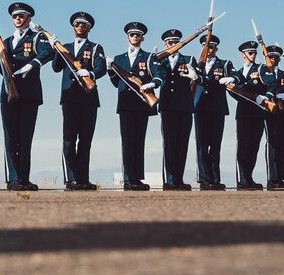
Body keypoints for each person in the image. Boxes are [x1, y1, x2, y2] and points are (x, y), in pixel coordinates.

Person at [0, 2, 54, 190]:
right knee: (10, 137)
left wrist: (32, 64)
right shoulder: (8, 42)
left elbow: (48, 53)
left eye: (21, 16)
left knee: (25, 137)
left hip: (28, 94)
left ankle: (24, 178)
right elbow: (4, 71)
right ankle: (13, 178)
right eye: (15, 17)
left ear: (29, 18)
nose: (17, 19)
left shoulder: (37, 38)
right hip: (8, 93)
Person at [50, 11, 107, 190]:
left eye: (84, 25)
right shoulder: (64, 47)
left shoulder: (95, 48)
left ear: (89, 28)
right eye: (77, 25)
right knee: (68, 140)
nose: (80, 27)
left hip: (88, 98)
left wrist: (90, 73)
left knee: (85, 141)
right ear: (73, 27)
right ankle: (71, 178)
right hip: (69, 98)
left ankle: (83, 178)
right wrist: (55, 50)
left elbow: (101, 68)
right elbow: (56, 68)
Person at [109, 22, 160, 191]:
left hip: (142, 104)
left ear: (142, 38)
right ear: (127, 37)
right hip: (125, 105)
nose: (135, 37)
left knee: (139, 141)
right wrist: (111, 70)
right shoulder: (119, 59)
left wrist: (152, 84)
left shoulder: (148, 57)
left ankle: (137, 178)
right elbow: (116, 83)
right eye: (132, 35)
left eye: (138, 35)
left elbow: (159, 75)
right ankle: (128, 178)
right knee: (127, 142)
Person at [153, 29, 198, 190]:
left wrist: (195, 77)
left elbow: (200, 78)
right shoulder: (160, 61)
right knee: (170, 143)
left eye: (175, 42)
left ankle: (179, 178)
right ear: (166, 44)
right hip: (167, 106)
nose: (173, 45)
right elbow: (154, 74)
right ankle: (170, 179)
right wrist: (153, 60)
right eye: (170, 42)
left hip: (185, 106)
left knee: (182, 143)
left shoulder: (188, 59)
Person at [195, 35, 234, 190]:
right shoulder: (197, 64)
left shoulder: (224, 64)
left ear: (216, 48)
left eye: (211, 46)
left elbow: (236, 74)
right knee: (202, 145)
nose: (208, 49)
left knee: (215, 145)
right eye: (205, 46)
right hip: (200, 108)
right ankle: (204, 179)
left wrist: (232, 79)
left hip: (217, 108)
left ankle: (215, 179)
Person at [230, 41, 269, 190]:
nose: (253, 56)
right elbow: (232, 91)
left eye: (254, 53)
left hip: (258, 113)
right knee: (243, 146)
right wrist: (246, 97)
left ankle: (249, 177)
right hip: (243, 113)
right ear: (243, 55)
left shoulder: (261, 69)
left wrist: (264, 96)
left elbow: (269, 84)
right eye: (250, 53)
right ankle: (242, 178)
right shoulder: (237, 73)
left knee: (254, 147)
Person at [260, 46, 284, 190]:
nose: (273, 60)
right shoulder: (261, 71)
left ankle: (280, 178)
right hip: (269, 111)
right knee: (272, 144)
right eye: (271, 57)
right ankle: (272, 179)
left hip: (282, 111)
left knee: (282, 145)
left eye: (276, 57)